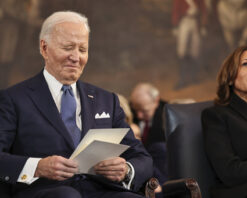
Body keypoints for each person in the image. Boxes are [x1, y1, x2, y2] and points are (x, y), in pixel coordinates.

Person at [0, 11, 153, 198]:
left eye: (82, 50)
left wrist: (126, 169)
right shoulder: (13, 99)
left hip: (103, 191)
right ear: (44, 48)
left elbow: (142, 158)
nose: (76, 57)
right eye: (68, 47)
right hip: (47, 192)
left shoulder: (107, 100)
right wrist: (37, 167)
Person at [202, 46, 247, 198]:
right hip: (242, 192)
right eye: (246, 64)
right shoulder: (216, 116)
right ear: (230, 77)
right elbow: (228, 170)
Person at [130, 83, 168, 188]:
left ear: (156, 101)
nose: (139, 115)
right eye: (136, 110)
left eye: (143, 110)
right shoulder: (130, 113)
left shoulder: (168, 116)